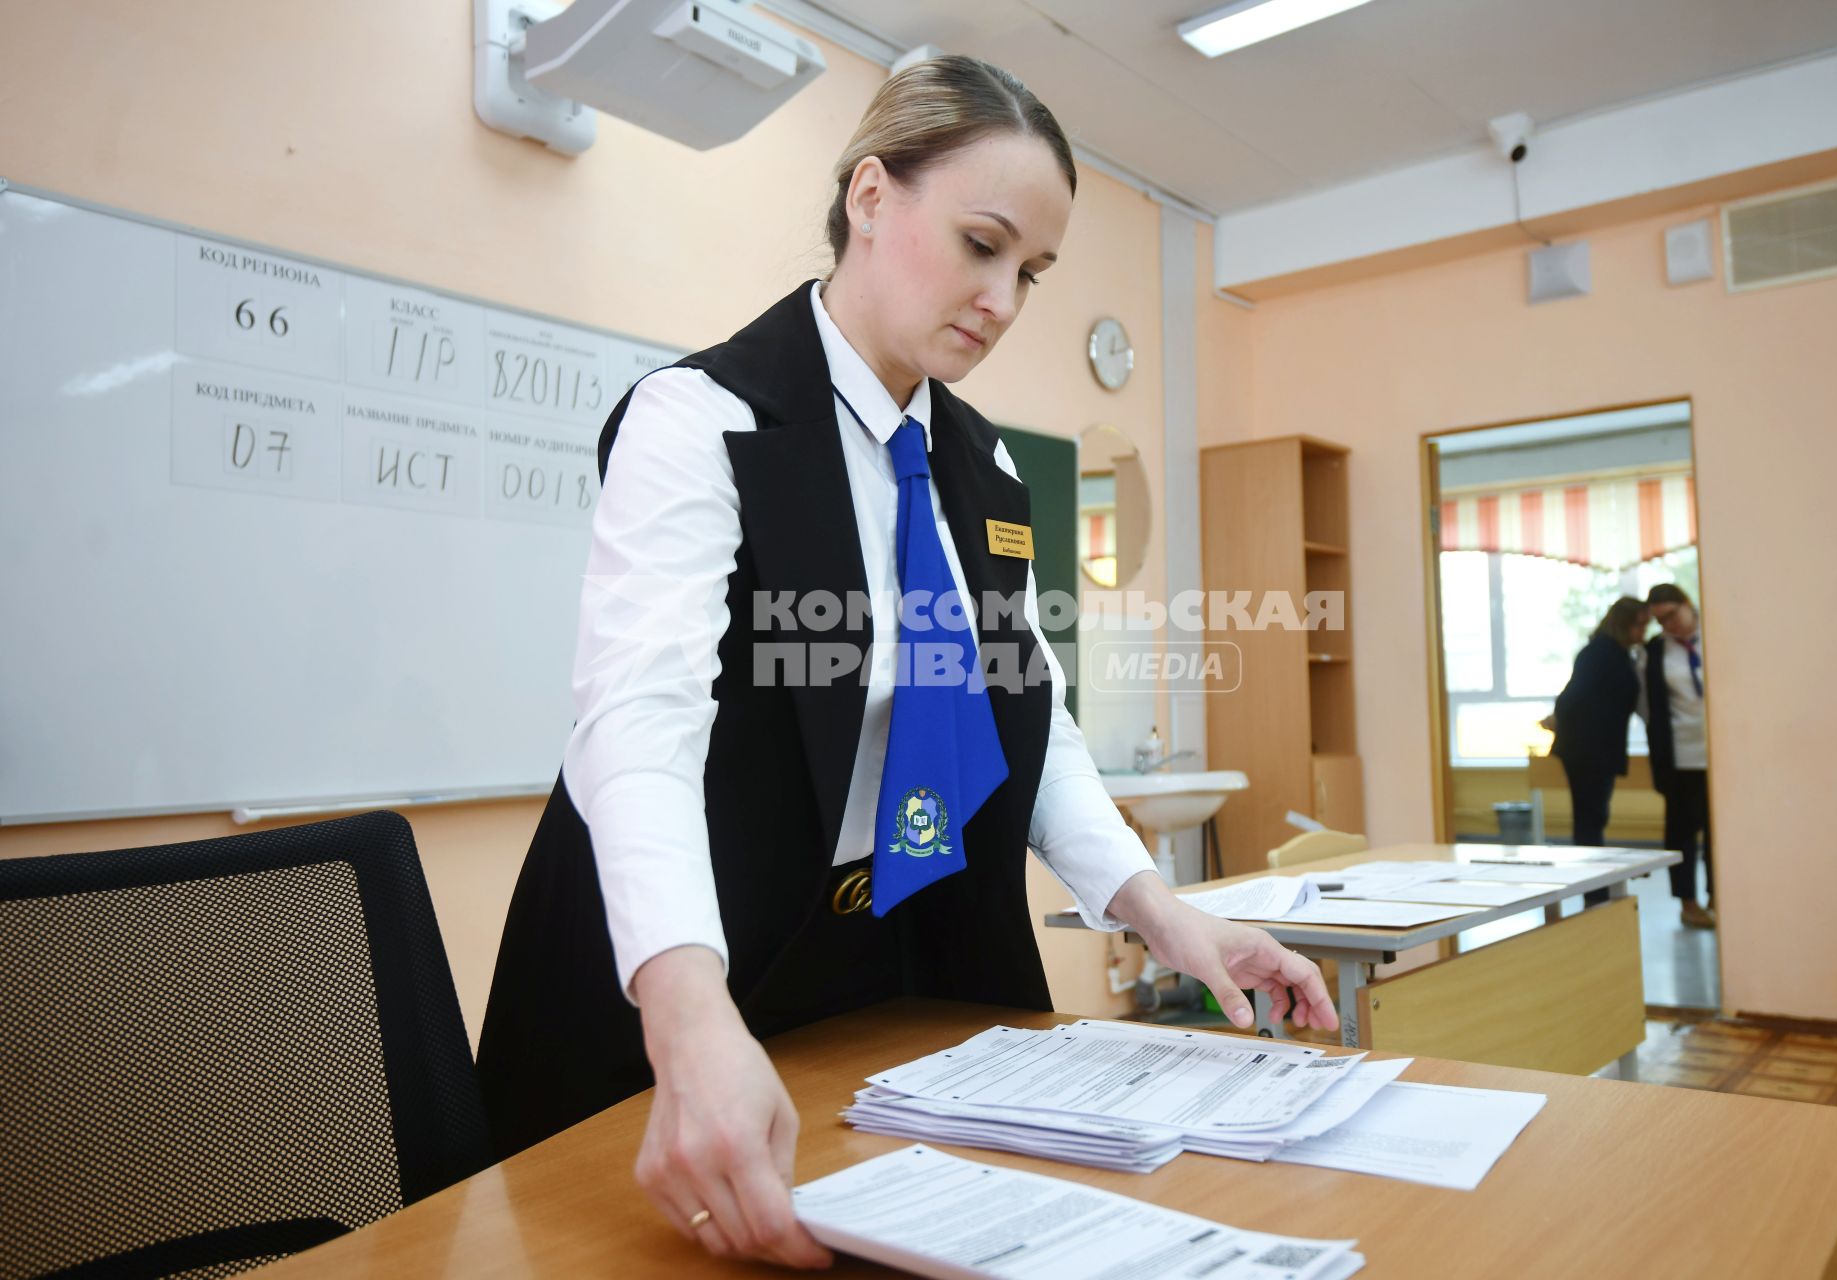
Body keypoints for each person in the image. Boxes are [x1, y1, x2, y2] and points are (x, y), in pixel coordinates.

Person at [475, 55, 1337, 1270]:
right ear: (871, 196)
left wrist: (1163, 913)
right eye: (981, 244)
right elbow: (638, 719)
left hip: (867, 977)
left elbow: (1027, 718)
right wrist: (687, 1014)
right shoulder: (704, 419)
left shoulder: (978, 468)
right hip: (674, 987)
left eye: (1029, 272)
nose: (1001, 298)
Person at [1549, 597, 1649, 847]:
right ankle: (1595, 885)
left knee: (1592, 817)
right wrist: (1559, 719)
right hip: (1589, 751)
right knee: (1590, 819)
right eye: (1640, 625)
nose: (1644, 632)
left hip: (1594, 749)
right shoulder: (1602, 652)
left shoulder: (1614, 652)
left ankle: (1597, 885)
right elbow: (1573, 697)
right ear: (1625, 624)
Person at [1642, 584, 1712, 928]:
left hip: (1720, 755)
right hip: (1680, 756)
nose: (1668, 625)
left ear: (1687, 604)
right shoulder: (1655, 651)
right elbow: (1649, 708)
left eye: (1671, 615)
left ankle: (1722, 897)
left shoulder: (1717, 630)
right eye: (1660, 620)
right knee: (1682, 834)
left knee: (1720, 832)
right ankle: (1688, 903)